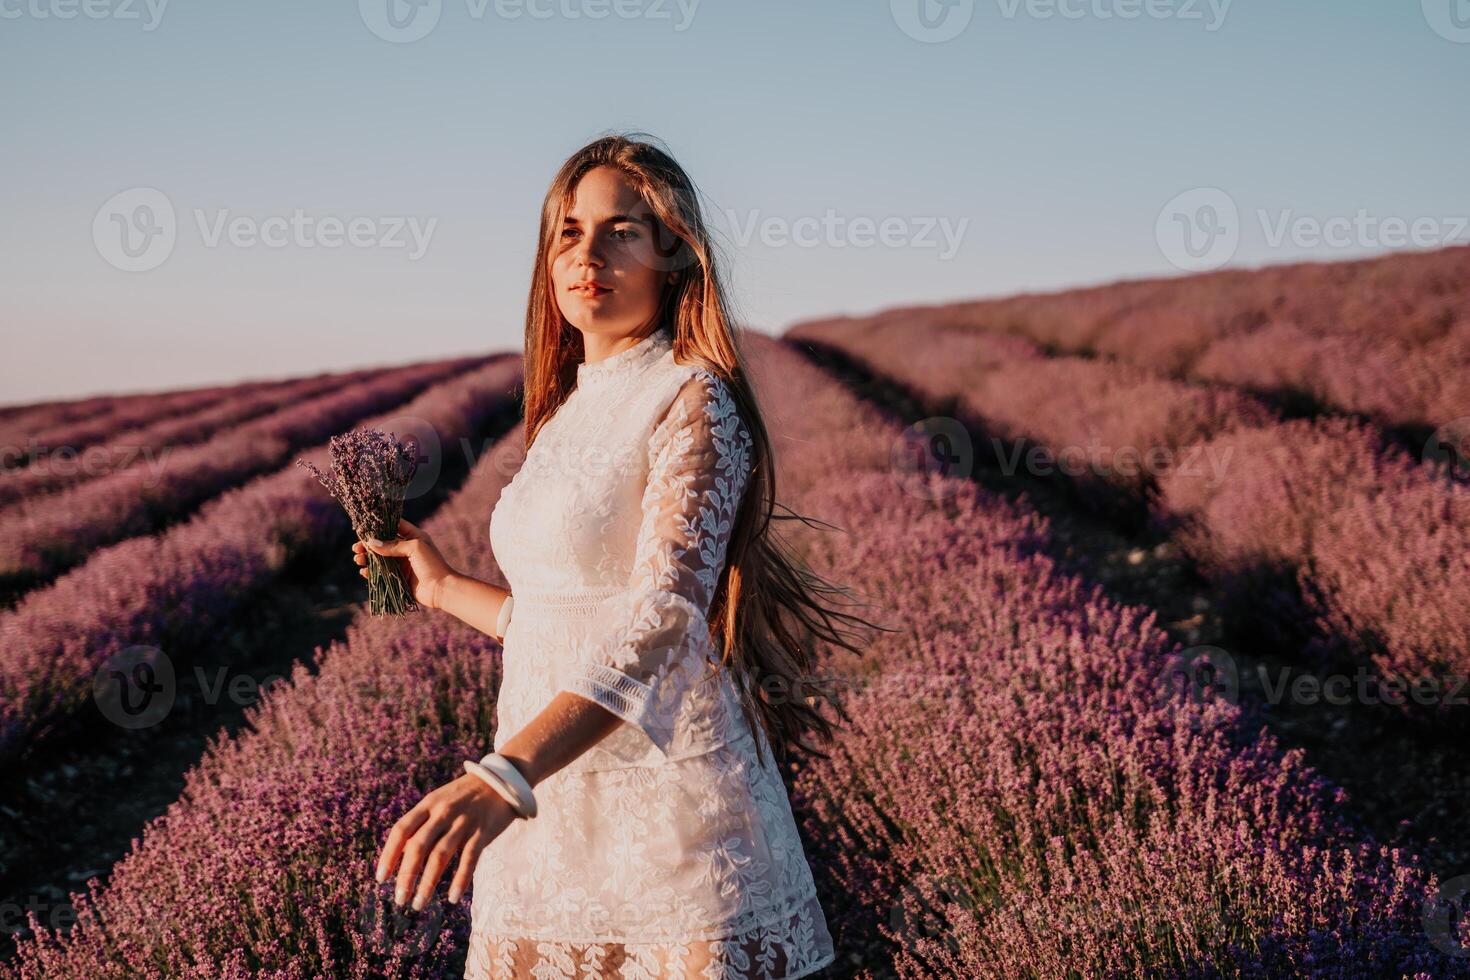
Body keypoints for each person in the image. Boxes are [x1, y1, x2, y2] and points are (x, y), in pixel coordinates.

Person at [357, 132, 881, 979]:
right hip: (554, 807)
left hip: (666, 815)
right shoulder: (566, 411)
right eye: (568, 230)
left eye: (622, 229)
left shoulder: (692, 396)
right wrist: (446, 586)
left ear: (673, 253)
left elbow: (665, 619)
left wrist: (500, 779)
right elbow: (571, 620)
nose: (588, 252)